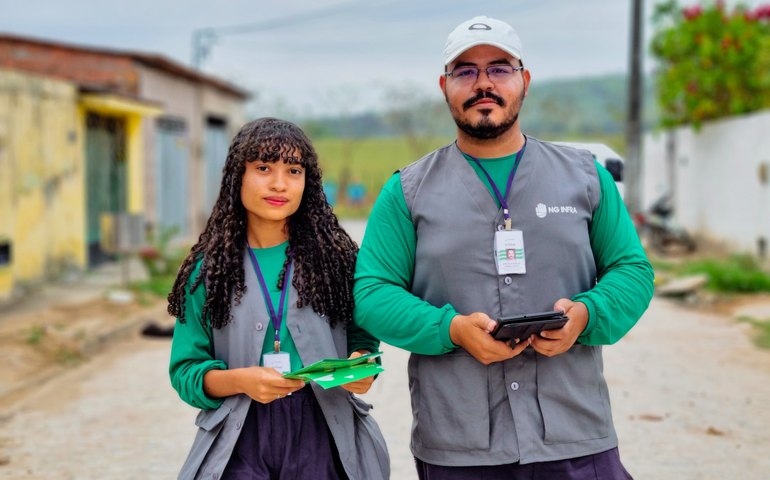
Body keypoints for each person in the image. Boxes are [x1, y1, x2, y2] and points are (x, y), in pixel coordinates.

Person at [353, 16, 654, 480]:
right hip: (458, 444)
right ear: (444, 85)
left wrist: (585, 316)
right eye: (466, 71)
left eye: (499, 68)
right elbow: (372, 293)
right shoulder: (406, 192)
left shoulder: (586, 177)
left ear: (524, 80)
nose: (483, 84)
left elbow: (631, 269)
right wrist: (450, 329)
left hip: (574, 435)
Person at [168, 118, 389, 480]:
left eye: (294, 170)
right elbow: (186, 372)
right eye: (264, 168)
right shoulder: (207, 272)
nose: (279, 183)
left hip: (323, 433)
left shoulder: (339, 261)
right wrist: (241, 380)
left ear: (308, 182)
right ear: (237, 176)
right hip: (240, 438)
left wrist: (361, 367)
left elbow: (364, 341)